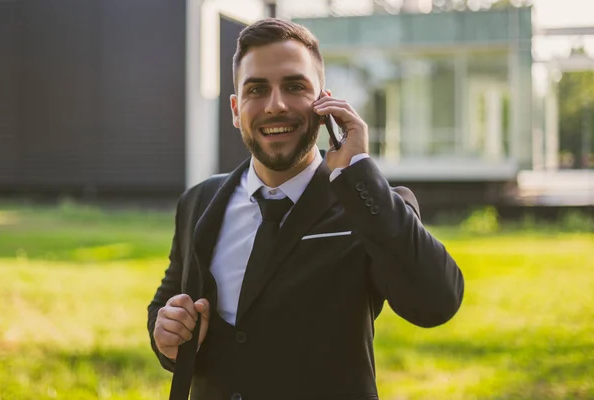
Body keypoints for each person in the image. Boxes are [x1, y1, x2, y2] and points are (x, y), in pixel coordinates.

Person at [147, 17, 464, 400]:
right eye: (257, 89)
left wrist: (360, 171)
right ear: (236, 108)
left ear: (323, 104)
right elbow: (166, 305)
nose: (275, 105)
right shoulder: (199, 201)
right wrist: (165, 335)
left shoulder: (372, 204)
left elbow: (436, 303)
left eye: (294, 86)